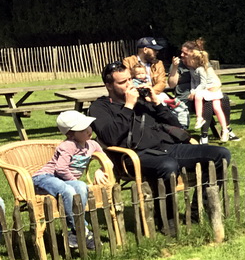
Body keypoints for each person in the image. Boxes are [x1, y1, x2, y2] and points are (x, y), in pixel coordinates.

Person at [89, 62, 232, 235]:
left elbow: (177, 125)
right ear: (109, 85)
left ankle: (197, 210)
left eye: (129, 79)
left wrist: (156, 103)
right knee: (167, 165)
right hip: (136, 155)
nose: (129, 85)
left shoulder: (143, 100)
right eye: (122, 82)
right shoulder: (99, 107)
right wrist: (128, 106)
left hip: (169, 147)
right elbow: (111, 136)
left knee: (221, 155)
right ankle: (167, 220)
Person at [31, 110, 108, 249]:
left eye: (88, 126)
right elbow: (60, 169)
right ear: (70, 134)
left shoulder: (92, 144)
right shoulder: (68, 145)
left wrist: (100, 170)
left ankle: (74, 234)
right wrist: (74, 180)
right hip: (45, 178)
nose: (88, 130)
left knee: (81, 187)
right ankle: (81, 229)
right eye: (82, 129)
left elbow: (108, 162)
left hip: (64, 180)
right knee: (68, 190)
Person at [167, 39, 240, 141]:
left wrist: (216, 86)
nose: (181, 55)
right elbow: (171, 84)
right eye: (181, 52)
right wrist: (174, 68)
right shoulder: (178, 64)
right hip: (186, 97)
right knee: (208, 102)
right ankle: (204, 135)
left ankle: (226, 129)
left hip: (202, 92)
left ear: (193, 55)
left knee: (224, 98)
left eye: (185, 53)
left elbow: (215, 80)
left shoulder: (201, 63)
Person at [183, 40, 233, 143]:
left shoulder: (201, 68)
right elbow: (194, 81)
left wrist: (195, 91)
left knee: (217, 106)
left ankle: (225, 129)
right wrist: (193, 90)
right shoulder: (193, 68)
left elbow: (204, 83)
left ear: (194, 59)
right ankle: (217, 129)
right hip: (207, 90)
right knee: (213, 105)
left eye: (186, 55)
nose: (184, 57)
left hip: (212, 88)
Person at [131, 63, 190, 128]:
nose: (141, 75)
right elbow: (136, 87)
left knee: (163, 95)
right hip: (144, 97)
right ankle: (166, 103)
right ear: (134, 75)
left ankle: (168, 102)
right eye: (138, 74)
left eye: (142, 73)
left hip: (151, 94)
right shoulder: (135, 81)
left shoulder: (147, 79)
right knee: (159, 99)